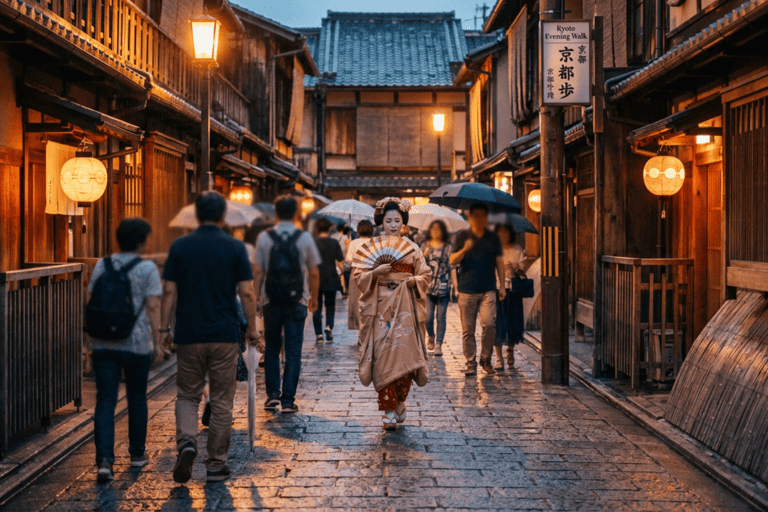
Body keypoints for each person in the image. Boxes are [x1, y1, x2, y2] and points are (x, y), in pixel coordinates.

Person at [160, 191, 259, 484]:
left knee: (188, 394)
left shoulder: (179, 246)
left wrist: (164, 330)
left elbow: (168, 290)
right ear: (222, 216)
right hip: (225, 333)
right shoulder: (235, 248)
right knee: (221, 399)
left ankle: (187, 442)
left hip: (188, 332)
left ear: (197, 214)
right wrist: (252, 328)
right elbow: (248, 292)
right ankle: (215, 464)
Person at [90, 218, 163, 483]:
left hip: (103, 343)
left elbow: (91, 300)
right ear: (143, 241)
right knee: (137, 398)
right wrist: (159, 341)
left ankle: (105, 461)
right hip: (137, 342)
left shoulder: (102, 264)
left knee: (105, 400)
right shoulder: (147, 268)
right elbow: (154, 307)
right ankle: (136, 454)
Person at [354, 198, 430, 430]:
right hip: (380, 308)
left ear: (403, 222)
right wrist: (375, 272)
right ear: (381, 222)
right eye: (388, 221)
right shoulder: (372, 246)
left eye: (397, 220)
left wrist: (413, 281)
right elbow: (358, 276)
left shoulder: (413, 248)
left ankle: (399, 401)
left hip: (406, 306)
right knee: (383, 357)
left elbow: (425, 275)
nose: (393, 225)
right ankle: (388, 407)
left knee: (404, 355)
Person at [253, 195, 320, 414]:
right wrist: (315, 298)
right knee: (293, 352)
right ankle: (288, 400)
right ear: (296, 213)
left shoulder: (265, 237)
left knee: (271, 348)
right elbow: (314, 272)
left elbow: (257, 271)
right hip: (297, 300)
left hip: (270, 300)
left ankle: (272, 395)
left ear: (276, 213)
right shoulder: (304, 237)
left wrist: (256, 297)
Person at [450, 203, 506, 376]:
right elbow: (452, 261)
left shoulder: (492, 238)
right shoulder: (462, 237)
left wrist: (502, 285)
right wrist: (465, 249)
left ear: (486, 218)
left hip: (488, 288)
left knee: (489, 324)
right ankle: (470, 362)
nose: (479, 219)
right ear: (470, 217)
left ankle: (485, 359)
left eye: (483, 215)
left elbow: (499, 262)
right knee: (468, 330)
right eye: (476, 215)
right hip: (467, 289)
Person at [494, 224, 525, 371]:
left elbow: (522, 272)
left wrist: (516, 268)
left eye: (505, 233)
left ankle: (510, 350)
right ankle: (499, 358)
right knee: (497, 323)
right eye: (500, 233)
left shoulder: (517, 249)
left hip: (512, 291)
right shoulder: (493, 249)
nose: (502, 236)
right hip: (496, 289)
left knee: (512, 322)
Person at [421, 220, 453, 357]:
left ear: (443, 231)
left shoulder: (448, 247)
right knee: (428, 317)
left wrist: (454, 286)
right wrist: (425, 254)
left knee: (441, 317)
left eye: (438, 229)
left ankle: (439, 344)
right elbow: (418, 264)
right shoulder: (425, 245)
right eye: (433, 229)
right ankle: (431, 336)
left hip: (443, 286)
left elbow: (452, 266)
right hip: (428, 286)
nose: (435, 232)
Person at [312, 217, 344, 343]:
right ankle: (328, 326)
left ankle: (319, 334)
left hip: (316, 278)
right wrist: (341, 277)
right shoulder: (334, 243)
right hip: (331, 277)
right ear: (330, 228)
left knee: (316, 305)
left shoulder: (313, 242)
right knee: (330, 305)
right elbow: (340, 261)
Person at [345, 219, 373, 331]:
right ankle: (369, 328)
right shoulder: (375, 242)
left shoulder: (353, 243)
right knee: (371, 301)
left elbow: (348, 259)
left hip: (357, 274)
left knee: (356, 301)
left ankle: (360, 330)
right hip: (372, 273)